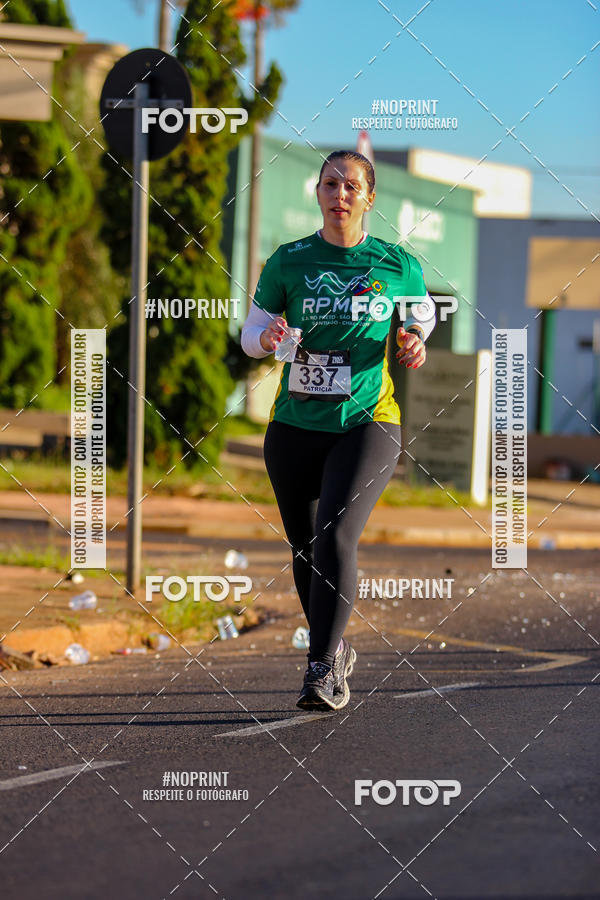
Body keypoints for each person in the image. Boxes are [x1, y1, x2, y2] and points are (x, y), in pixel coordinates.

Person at [241, 150, 435, 711]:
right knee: (305, 549)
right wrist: (269, 340)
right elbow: (250, 334)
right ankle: (335, 648)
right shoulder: (289, 260)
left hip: (368, 421)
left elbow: (422, 315)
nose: (340, 194)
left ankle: (320, 669)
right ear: (318, 192)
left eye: (352, 186)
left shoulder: (395, 262)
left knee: (336, 535)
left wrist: (414, 338)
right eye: (331, 183)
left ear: (369, 198)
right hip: (294, 423)